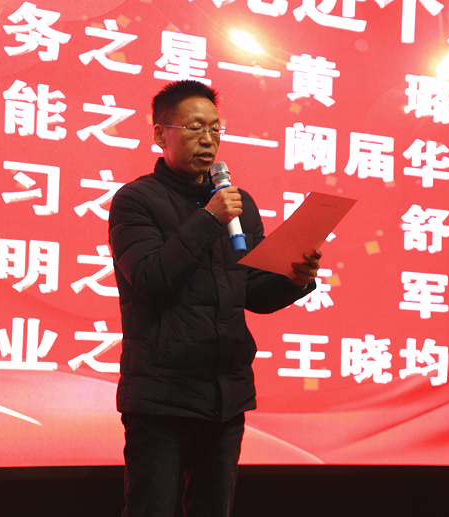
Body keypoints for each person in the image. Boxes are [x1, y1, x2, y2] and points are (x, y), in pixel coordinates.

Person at [108, 80, 321, 517]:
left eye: (215, 128)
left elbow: (254, 292)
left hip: (225, 395)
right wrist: (208, 218)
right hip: (162, 395)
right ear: (159, 133)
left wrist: (295, 279)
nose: (208, 139)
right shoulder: (135, 200)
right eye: (194, 127)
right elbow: (151, 278)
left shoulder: (239, 205)